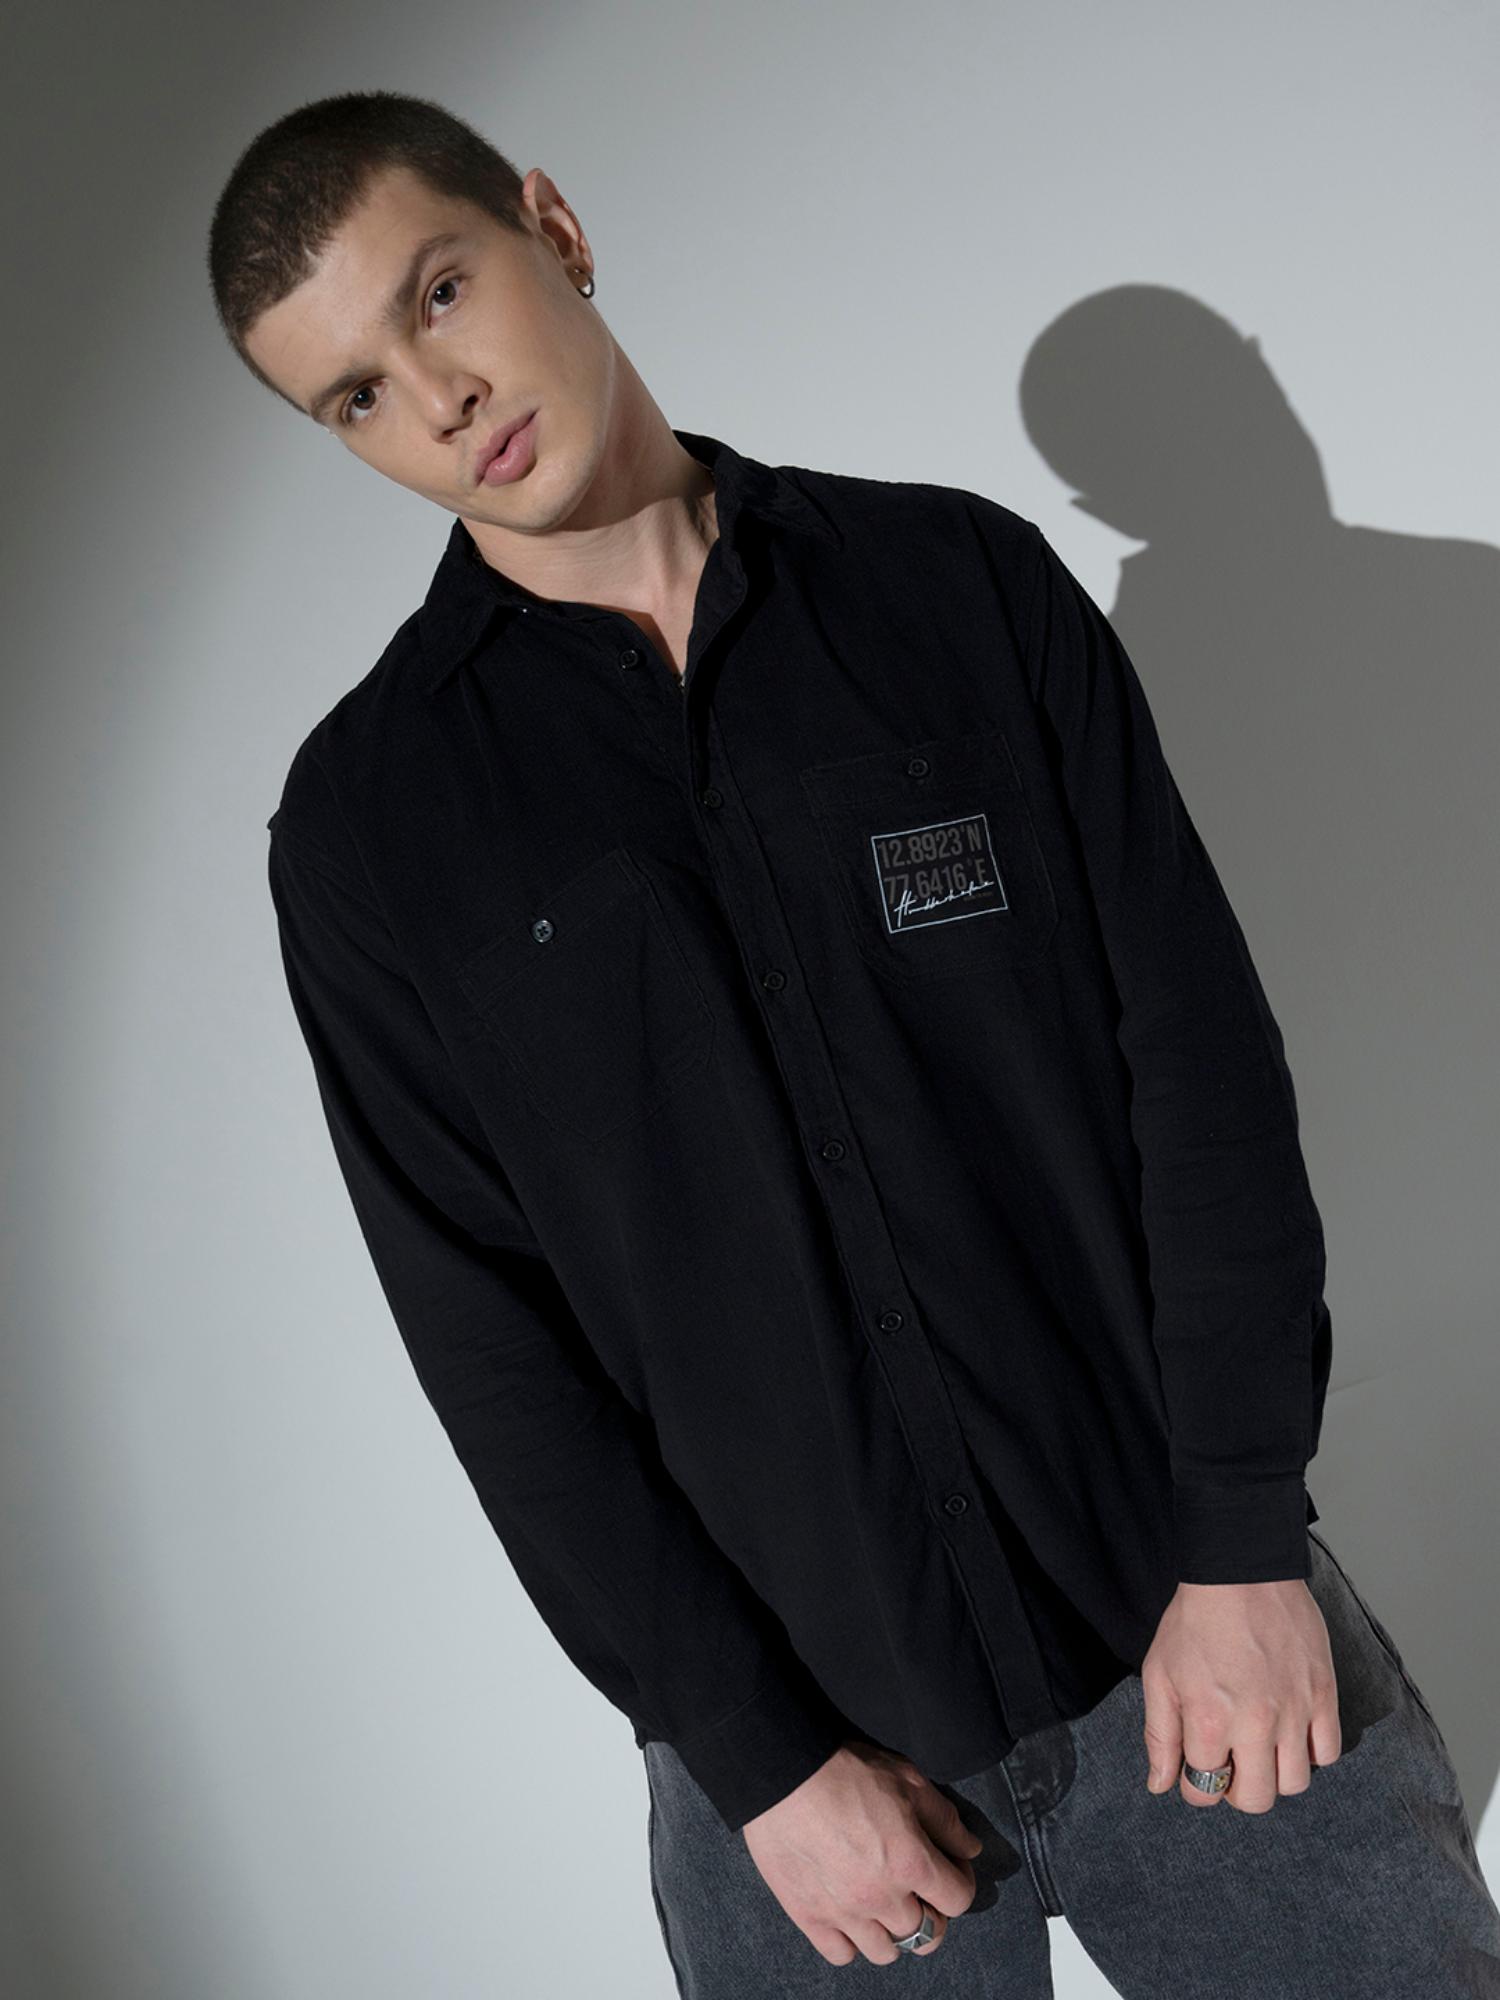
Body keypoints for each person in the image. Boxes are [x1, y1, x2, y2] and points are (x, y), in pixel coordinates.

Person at [209, 89, 1500, 1994]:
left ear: (554, 225)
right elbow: (489, 1342)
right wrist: (760, 1760)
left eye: (440, 293)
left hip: (1199, 1639)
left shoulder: (960, 590)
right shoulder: (368, 831)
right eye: (357, 397)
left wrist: (1241, 1546)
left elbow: (1201, 1076)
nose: (440, 398)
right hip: (816, 1799)